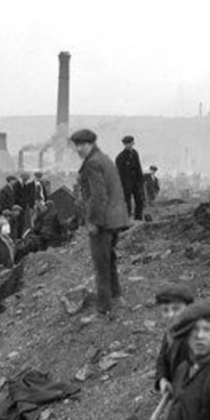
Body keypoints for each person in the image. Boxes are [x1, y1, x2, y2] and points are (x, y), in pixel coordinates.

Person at [72, 128, 129, 320]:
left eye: (82, 145)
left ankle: (104, 308)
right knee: (110, 260)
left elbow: (98, 196)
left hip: (103, 221)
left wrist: (93, 222)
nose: (78, 149)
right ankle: (116, 296)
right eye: (76, 145)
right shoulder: (105, 159)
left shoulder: (93, 163)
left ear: (91, 144)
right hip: (115, 219)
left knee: (101, 265)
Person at [115, 136, 145, 222]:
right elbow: (119, 173)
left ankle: (138, 219)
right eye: (129, 144)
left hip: (136, 183)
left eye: (132, 143)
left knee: (139, 201)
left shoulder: (135, 153)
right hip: (125, 184)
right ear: (125, 145)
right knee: (127, 204)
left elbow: (138, 167)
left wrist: (141, 180)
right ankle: (126, 220)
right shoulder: (120, 157)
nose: (131, 145)